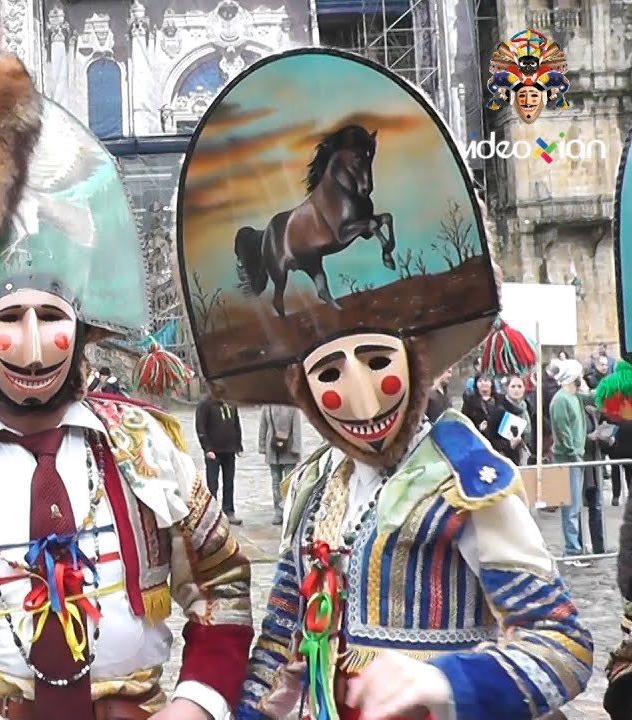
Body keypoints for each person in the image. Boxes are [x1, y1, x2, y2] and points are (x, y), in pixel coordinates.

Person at [0, 53, 254, 720]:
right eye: (9, 321)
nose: (33, 348)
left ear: (83, 329)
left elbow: (223, 586)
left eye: (52, 319)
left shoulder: (147, 448)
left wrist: (197, 703)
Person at [170, 49, 590, 720]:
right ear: (305, 392)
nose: (362, 396)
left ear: (415, 363)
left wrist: (445, 682)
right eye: (329, 373)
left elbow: (563, 646)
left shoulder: (466, 481)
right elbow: (279, 641)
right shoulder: (313, 487)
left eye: (376, 360)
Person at [550, 358, 589, 564]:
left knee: (575, 506)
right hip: (568, 458)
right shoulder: (561, 400)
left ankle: (575, 548)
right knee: (570, 507)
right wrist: (573, 452)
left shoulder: (574, 396)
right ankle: (572, 550)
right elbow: (562, 429)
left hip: (576, 456)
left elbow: (590, 396)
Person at [195, 393, 244, 524]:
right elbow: (200, 427)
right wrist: (207, 448)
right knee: (213, 484)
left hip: (230, 449)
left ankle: (229, 511)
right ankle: (212, 514)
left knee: (229, 482)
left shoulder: (231, 402)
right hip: (214, 451)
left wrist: (238, 444)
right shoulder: (205, 403)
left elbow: (236, 423)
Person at [257, 403, 302, 525]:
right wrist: (262, 446)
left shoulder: (293, 406)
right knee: (276, 482)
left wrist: (296, 448)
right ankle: (278, 511)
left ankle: (290, 510)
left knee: (290, 482)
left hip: (290, 451)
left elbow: (297, 428)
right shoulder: (267, 406)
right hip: (272, 450)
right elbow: (263, 426)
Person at [484, 374, 532, 466]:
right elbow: (491, 438)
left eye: (519, 386)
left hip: (526, 454)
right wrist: (509, 445)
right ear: (507, 388)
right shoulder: (500, 410)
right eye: (513, 386)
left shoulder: (526, 406)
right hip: (506, 459)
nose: (516, 390)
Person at [583, 402, 611, 554]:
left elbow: (600, 443)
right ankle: (577, 548)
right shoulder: (574, 408)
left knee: (596, 506)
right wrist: (589, 437)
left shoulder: (592, 413)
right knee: (577, 509)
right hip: (582, 464)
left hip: (594, 464)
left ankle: (599, 547)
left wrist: (607, 439)